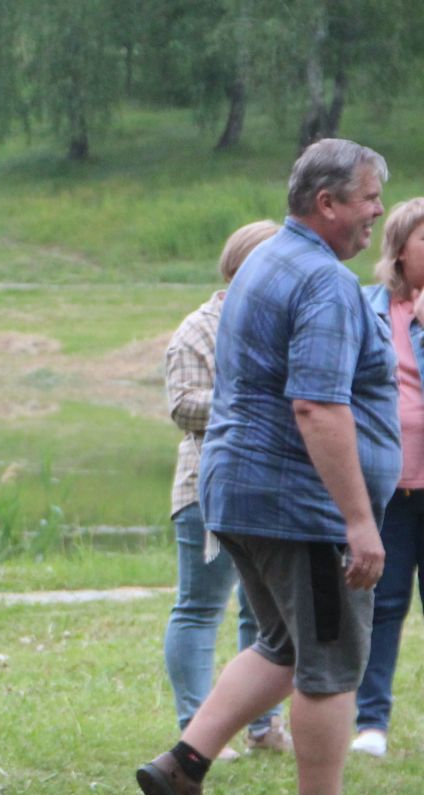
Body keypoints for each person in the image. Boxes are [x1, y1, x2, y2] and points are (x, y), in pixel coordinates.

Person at [136, 138, 406, 795]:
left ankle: (181, 766)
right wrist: (356, 520)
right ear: (328, 203)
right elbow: (318, 405)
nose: (377, 213)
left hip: (241, 492)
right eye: (369, 198)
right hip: (303, 505)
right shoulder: (323, 282)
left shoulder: (267, 260)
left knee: (283, 644)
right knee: (329, 661)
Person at [162, 220, 291, 760]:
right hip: (206, 489)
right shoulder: (198, 327)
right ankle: (197, 728)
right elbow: (182, 406)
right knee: (200, 606)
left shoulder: (284, 324)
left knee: (263, 616)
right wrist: (252, 399)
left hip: (273, 491)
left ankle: (263, 725)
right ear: (240, 267)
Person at [350, 198, 424, 758]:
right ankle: (370, 723)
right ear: (399, 248)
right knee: (385, 601)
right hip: (388, 487)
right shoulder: (365, 306)